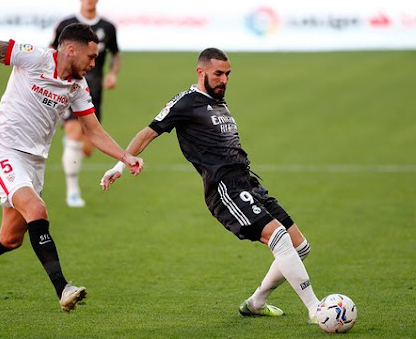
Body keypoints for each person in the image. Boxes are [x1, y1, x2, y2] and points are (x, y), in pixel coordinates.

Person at [100, 48, 320, 323]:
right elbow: (149, 131)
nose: (224, 79)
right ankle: (316, 309)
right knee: (278, 237)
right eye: (218, 73)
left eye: (228, 74)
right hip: (224, 188)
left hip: (248, 183)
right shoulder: (186, 102)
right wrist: (120, 164)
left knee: (301, 247)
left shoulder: (219, 102)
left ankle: (256, 302)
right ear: (200, 72)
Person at [0, 23, 143, 312]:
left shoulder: (77, 86)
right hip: (3, 152)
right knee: (37, 210)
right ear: (71, 50)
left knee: (10, 239)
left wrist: (125, 156)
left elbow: (93, 131)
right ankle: (63, 288)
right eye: (91, 57)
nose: (94, 64)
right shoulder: (33, 57)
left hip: (35, 164)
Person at [51, 0, 121, 207]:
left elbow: (116, 54)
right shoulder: (66, 25)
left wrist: (112, 74)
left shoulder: (108, 27)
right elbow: (52, 49)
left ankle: (73, 144)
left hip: (95, 89)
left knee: (88, 147)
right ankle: (72, 192)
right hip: (69, 86)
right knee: (73, 135)